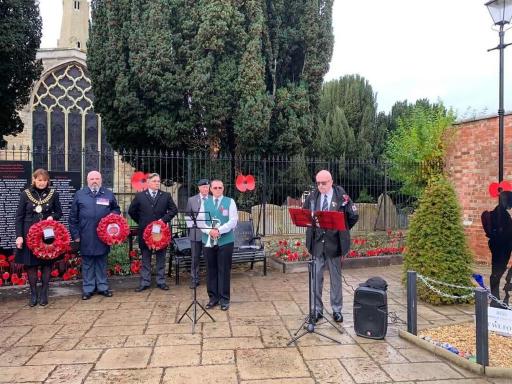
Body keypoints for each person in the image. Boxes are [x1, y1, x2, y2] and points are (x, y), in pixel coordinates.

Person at [303, 170, 359, 323]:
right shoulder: (313, 197)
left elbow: (353, 216)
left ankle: (336, 310)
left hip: (335, 244)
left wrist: (343, 229)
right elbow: (305, 214)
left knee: (335, 279)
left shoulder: (341, 196)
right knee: (316, 278)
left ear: (331, 181)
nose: (320, 186)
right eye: (318, 183)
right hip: (317, 244)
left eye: (324, 183)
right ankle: (316, 310)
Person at [69, 170, 120, 300]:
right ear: (87, 181)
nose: (95, 181)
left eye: (97, 178)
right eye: (92, 179)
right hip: (85, 234)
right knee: (87, 263)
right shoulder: (80, 195)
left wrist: (112, 216)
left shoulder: (108, 194)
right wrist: (76, 236)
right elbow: (73, 217)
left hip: (103, 235)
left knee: (101, 262)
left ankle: (103, 287)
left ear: (101, 180)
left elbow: (116, 209)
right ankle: (88, 289)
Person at [15, 169, 63, 307]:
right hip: (28, 234)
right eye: (39, 180)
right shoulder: (26, 194)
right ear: (34, 180)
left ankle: (44, 293)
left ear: (48, 181)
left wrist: (52, 217)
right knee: (31, 265)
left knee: (46, 264)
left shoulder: (53, 194)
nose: (42, 183)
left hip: (47, 233)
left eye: (44, 180)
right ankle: (33, 294)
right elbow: (19, 217)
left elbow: (59, 212)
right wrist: (19, 236)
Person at [128, 173, 178, 291]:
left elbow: (173, 210)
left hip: (161, 233)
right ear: (149, 183)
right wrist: (142, 222)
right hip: (145, 232)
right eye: (154, 181)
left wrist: (163, 220)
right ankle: (145, 282)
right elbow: (131, 211)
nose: (157, 183)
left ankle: (161, 281)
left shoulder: (166, 195)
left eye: (158, 181)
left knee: (161, 257)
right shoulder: (140, 196)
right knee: (146, 257)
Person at [197, 179, 238, 311]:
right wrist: (210, 231)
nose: (217, 190)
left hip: (225, 241)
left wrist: (219, 230)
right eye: (215, 188)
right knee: (211, 270)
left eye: (220, 187)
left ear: (223, 188)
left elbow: (233, 221)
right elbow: (200, 221)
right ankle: (213, 298)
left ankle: (224, 299)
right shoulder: (204, 202)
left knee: (224, 270)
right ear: (210, 189)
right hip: (208, 241)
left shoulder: (230, 202)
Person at [482, 190, 512, 304]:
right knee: (497, 272)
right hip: (501, 248)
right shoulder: (501, 215)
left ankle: (495, 298)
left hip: (499, 247)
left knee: (497, 272)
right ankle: (495, 299)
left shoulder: (499, 213)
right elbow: (505, 234)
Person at [185, 178, 210, 289]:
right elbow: (187, 215)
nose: (206, 189)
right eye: (204, 187)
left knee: (209, 257)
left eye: (207, 187)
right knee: (195, 258)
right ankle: (194, 279)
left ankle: (211, 278)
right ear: (199, 188)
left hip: (209, 234)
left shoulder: (213, 199)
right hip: (196, 233)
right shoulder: (192, 200)